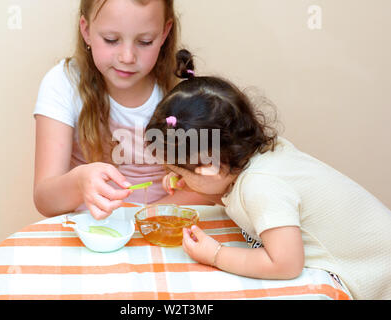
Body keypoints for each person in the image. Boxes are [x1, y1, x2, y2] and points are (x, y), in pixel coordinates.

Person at [145, 49, 391, 300]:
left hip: (379, 278)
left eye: (175, 169)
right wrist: (191, 182)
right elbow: (234, 198)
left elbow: (285, 264)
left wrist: (215, 255)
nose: (175, 177)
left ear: (211, 167)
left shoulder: (261, 186)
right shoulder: (256, 159)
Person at [33, 0, 213, 219]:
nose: (127, 57)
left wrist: (146, 218)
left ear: (165, 33)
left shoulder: (182, 89)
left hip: (160, 227)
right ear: (86, 30)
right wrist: (79, 182)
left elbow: (208, 186)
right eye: (111, 40)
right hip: (91, 232)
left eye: (145, 41)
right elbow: (45, 200)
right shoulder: (64, 83)